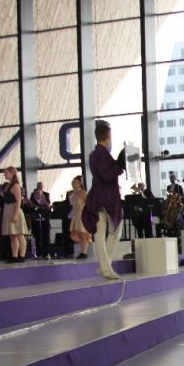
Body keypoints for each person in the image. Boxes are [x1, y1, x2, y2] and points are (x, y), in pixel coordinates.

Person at [82, 120, 125, 280]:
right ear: (108, 137)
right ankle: (105, 268)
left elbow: (106, 171)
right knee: (105, 233)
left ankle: (104, 266)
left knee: (107, 232)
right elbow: (106, 174)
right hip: (104, 197)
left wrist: (117, 165)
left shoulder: (98, 154)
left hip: (101, 196)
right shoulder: (100, 154)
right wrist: (119, 167)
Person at [1, 167, 28, 263]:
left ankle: (22, 255)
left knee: (19, 234)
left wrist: (15, 214)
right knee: (12, 235)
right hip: (8, 209)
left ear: (12, 173)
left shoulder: (15, 185)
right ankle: (14, 256)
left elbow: (18, 201)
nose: (4, 175)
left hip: (14, 209)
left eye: (6, 173)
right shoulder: (8, 185)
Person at [68, 176, 91, 259]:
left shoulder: (83, 193)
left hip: (82, 215)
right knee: (79, 233)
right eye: (72, 182)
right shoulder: (72, 194)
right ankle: (82, 251)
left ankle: (84, 252)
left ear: (80, 183)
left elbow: (88, 204)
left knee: (83, 233)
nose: (73, 184)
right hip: (75, 215)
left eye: (75, 182)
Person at [29, 181, 52, 258]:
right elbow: (30, 210)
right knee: (36, 237)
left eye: (39, 193)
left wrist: (45, 203)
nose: (38, 195)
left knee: (46, 237)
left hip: (45, 221)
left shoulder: (45, 198)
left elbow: (49, 209)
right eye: (36, 193)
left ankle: (46, 253)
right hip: (35, 221)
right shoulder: (32, 200)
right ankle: (37, 253)